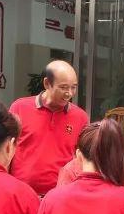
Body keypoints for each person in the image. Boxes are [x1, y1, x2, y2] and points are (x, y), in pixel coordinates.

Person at [10, 60, 88, 197]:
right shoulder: (19, 108)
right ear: (47, 83)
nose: (69, 93)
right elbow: (6, 149)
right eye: (63, 87)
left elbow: (83, 160)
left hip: (60, 197)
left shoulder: (80, 117)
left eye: (73, 87)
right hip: (21, 194)